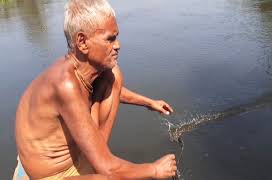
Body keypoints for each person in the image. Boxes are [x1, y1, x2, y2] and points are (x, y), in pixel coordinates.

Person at [13, 0, 176, 179]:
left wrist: (149, 103)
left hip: (77, 157)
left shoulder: (82, 72)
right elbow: (109, 172)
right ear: (82, 42)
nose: (118, 45)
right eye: (110, 39)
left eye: (116, 37)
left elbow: (117, 90)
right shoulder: (64, 85)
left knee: (113, 76)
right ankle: (103, 161)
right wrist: (154, 170)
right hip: (51, 175)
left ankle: (101, 158)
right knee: (105, 177)